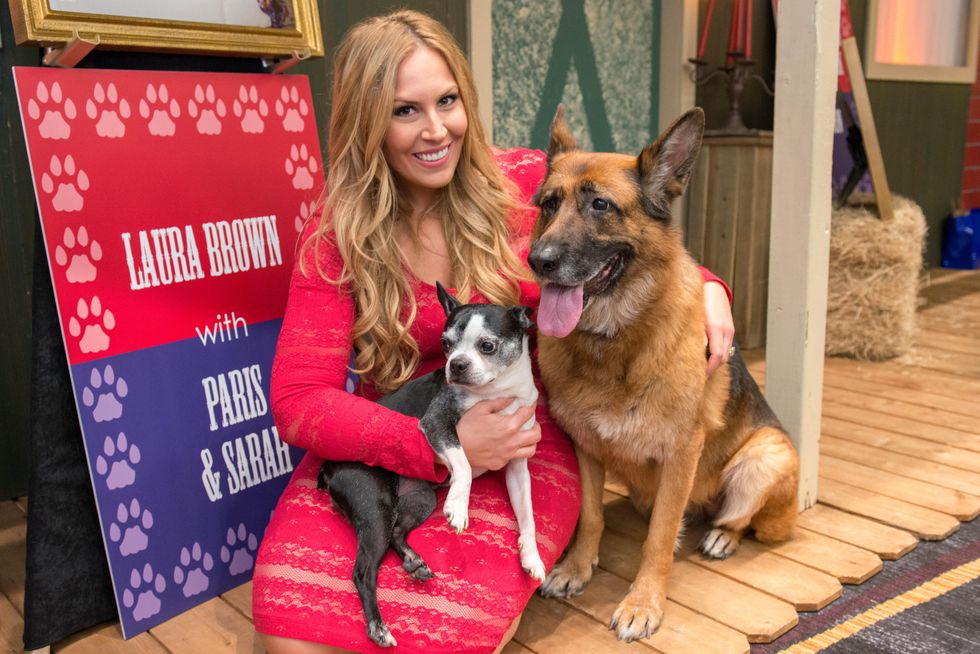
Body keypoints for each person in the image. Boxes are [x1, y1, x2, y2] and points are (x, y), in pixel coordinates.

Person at [252, 10, 736, 654]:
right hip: (394, 437)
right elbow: (298, 402)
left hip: (522, 443)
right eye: (405, 111)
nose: (435, 130)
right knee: (292, 634)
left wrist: (709, 285)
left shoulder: (525, 181)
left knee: (441, 636)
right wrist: (437, 446)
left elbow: (625, 235)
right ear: (367, 123)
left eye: (447, 101)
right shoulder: (336, 236)